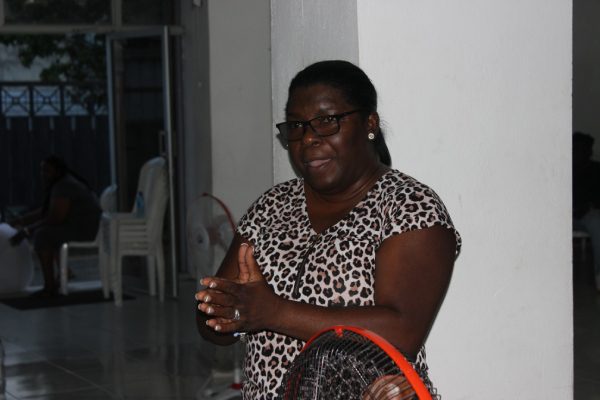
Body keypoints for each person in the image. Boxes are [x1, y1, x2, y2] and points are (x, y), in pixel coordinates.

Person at [195, 60, 461, 399]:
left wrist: (271, 311)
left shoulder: (409, 206)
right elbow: (215, 319)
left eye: (326, 121)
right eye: (296, 126)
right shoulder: (271, 206)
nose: (308, 138)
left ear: (369, 123)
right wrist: (224, 313)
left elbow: (403, 329)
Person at [8, 155, 102, 297]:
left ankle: (49, 286)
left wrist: (27, 230)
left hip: (87, 230)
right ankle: (64, 273)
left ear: (58, 171)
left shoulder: (64, 185)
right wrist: (21, 220)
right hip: (86, 226)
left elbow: (55, 218)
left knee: (43, 235)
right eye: (42, 170)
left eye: (47, 171)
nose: (43, 174)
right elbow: (47, 211)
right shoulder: (63, 182)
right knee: (48, 233)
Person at [573, 131, 600, 290]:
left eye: (583, 149)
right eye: (575, 149)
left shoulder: (596, 170)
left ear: (589, 151)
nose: (579, 153)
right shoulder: (560, 168)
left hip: (586, 216)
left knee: (597, 221)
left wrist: (589, 206)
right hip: (562, 215)